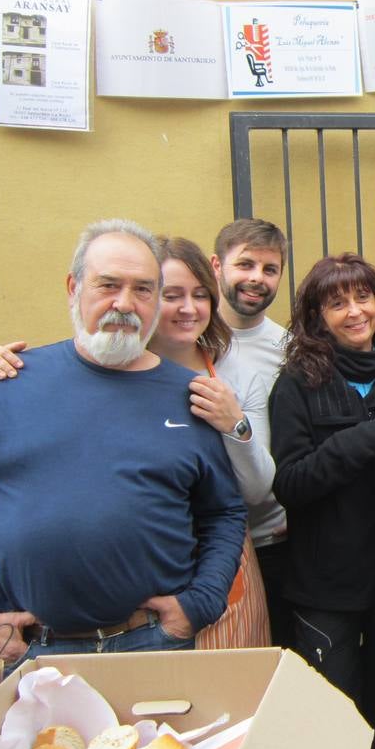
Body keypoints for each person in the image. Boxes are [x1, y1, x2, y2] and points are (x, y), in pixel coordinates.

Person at [0, 217, 295, 648]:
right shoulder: (24, 381)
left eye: (143, 288)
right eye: (108, 285)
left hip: (185, 608)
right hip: (43, 638)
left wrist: (198, 606)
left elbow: (232, 505)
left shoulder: (215, 381)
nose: (188, 308)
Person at [268, 253, 375, 749]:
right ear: (316, 316)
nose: (354, 312)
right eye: (336, 303)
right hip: (325, 586)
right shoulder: (297, 384)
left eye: (363, 297)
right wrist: (370, 436)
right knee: (333, 714)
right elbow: (291, 484)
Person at [148, 236, 272, 649]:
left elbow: (258, 488)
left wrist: (234, 424)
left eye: (200, 294)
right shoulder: (113, 369)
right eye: (172, 295)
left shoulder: (236, 372)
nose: (189, 308)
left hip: (224, 564)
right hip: (143, 565)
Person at [211, 218, 294, 648]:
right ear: (216, 266)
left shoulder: (289, 348)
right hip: (205, 546)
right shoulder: (184, 339)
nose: (256, 279)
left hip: (273, 540)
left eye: (269, 268)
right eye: (245, 264)